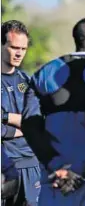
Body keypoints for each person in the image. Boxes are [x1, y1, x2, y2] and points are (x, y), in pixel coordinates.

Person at [21, 17, 85, 206]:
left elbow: (29, 124)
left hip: (55, 181)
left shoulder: (43, 74)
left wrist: (55, 165)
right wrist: (79, 167)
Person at [1, 20, 41, 206]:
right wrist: (14, 129)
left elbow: (38, 121)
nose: (19, 53)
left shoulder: (27, 80)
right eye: (14, 47)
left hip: (31, 163)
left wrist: (7, 116)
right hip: (5, 165)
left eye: (23, 49)